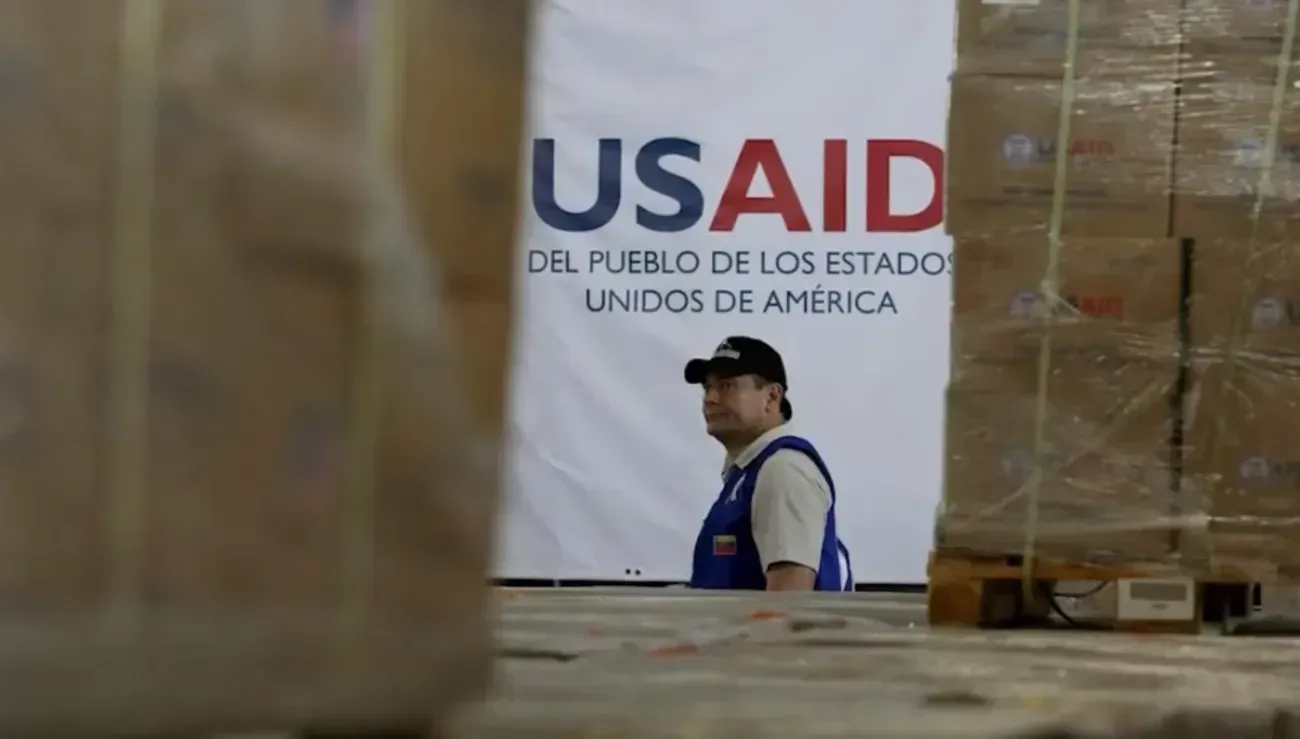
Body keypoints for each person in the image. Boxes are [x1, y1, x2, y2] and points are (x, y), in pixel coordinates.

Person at [683, 336, 853, 591]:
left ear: (772, 397)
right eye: (707, 387)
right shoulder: (752, 471)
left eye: (726, 386)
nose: (710, 398)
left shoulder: (783, 469)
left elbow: (789, 601)